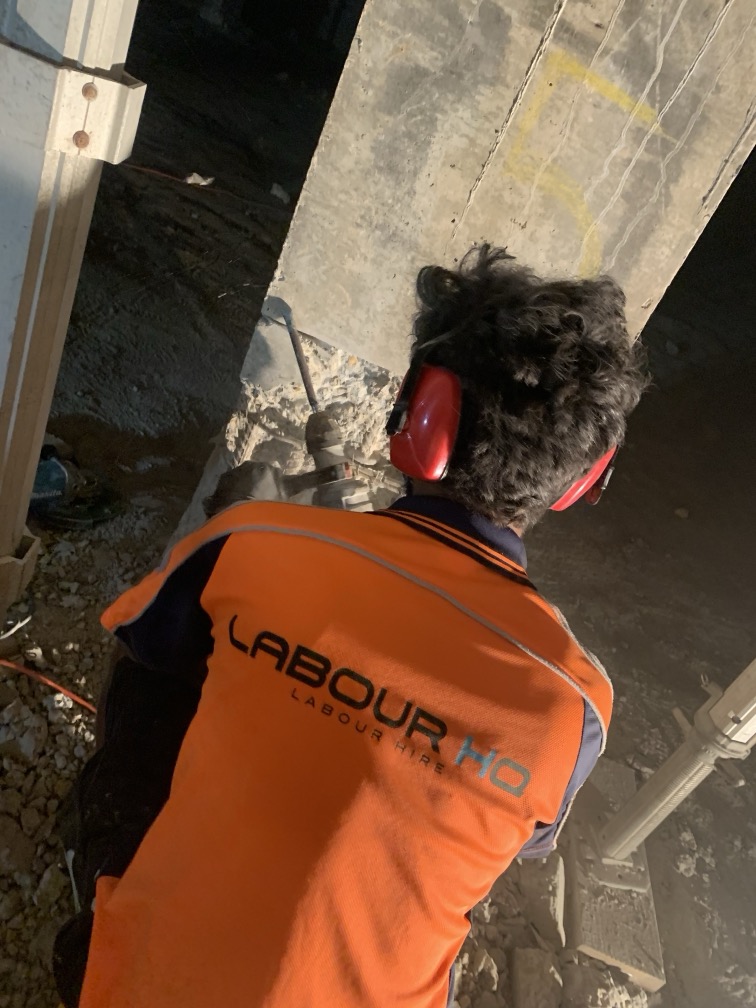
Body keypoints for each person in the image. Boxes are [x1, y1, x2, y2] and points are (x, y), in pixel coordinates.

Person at [53, 245, 648, 1008]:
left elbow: (145, 643)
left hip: (132, 991)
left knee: (153, 673)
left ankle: (100, 897)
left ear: (420, 415)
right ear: (581, 483)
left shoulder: (253, 542)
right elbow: (520, 841)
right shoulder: (577, 709)